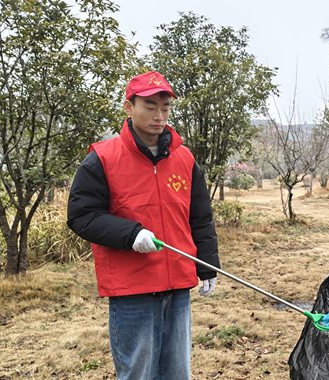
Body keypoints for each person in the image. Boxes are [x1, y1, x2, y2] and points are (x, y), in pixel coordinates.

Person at [66, 71, 220, 380]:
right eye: (149, 106)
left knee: (177, 372)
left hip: (177, 284)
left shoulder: (184, 158)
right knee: (139, 373)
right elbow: (82, 215)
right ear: (129, 107)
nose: (158, 116)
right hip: (131, 287)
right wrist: (131, 234)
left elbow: (199, 217)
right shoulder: (102, 159)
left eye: (164, 108)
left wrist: (207, 266)